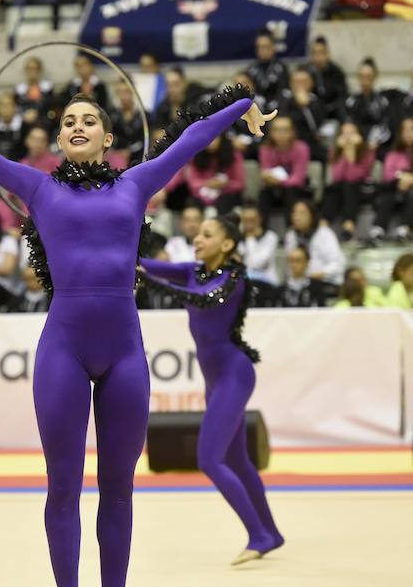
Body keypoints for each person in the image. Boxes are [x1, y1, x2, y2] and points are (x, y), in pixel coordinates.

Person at [0, 80, 274, 587]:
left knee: (119, 489)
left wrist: (242, 106)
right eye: (68, 123)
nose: (77, 127)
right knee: (63, 488)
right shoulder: (37, 188)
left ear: (107, 139)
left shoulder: (137, 184)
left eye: (89, 121)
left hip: (125, 352)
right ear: (59, 140)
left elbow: (194, 136)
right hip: (64, 350)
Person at [138, 213, 282, 564]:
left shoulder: (235, 279)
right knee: (237, 460)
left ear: (227, 244)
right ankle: (271, 532)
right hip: (214, 378)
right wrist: (118, 243)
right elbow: (143, 263)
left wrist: (151, 281)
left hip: (235, 373)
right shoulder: (192, 270)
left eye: (207, 235)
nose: (197, 239)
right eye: (197, 234)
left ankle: (258, 534)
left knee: (209, 459)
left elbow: (203, 299)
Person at [371, 117, 413, 243]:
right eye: (405, 130)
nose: (408, 133)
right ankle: (378, 231)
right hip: (398, 190)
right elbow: (388, 174)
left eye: (412, 129)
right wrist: (401, 177)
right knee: (387, 193)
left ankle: (404, 231)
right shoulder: (393, 153)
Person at [322, 121, 375, 240]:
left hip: (361, 188)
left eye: (351, 133)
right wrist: (343, 153)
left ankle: (349, 226)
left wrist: (351, 151)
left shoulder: (367, 151)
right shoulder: (334, 151)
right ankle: (323, 225)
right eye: (344, 133)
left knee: (350, 186)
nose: (348, 137)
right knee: (333, 188)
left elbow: (354, 176)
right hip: (341, 188)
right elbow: (337, 176)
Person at [257, 116, 310, 227]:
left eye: (285, 130)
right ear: (271, 132)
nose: (281, 134)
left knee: (290, 191)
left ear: (292, 131)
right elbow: (266, 171)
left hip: (295, 190)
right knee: (264, 193)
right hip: (273, 188)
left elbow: (298, 178)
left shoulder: (301, 148)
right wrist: (267, 177)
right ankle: (261, 230)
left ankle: (292, 229)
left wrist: (279, 181)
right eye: (277, 130)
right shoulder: (265, 148)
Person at [283, 200, 345, 290]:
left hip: (326, 282)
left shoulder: (325, 233)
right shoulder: (290, 236)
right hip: (301, 284)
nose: (297, 217)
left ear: (312, 216)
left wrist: (317, 275)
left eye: (302, 213)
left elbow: (338, 264)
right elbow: (290, 264)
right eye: (294, 213)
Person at [342, 58, 392, 153]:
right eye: (362, 76)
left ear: (374, 77)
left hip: (377, 143)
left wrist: (376, 140)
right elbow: (348, 123)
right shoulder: (351, 101)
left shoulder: (382, 101)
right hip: (356, 143)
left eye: (368, 76)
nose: (365, 81)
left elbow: (386, 126)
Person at [306, 35, 348, 120]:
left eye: (321, 52)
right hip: (312, 113)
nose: (317, 56)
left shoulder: (336, 72)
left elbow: (342, 96)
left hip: (333, 114)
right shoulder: (306, 72)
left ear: (327, 54)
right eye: (314, 53)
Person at [246, 29, 289, 108]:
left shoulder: (282, 68)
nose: (263, 50)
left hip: (278, 107)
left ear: (273, 47)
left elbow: (285, 90)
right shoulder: (251, 69)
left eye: (266, 46)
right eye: (259, 47)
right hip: (257, 107)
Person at [14, 56, 55, 128]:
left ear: (40, 70)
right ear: (25, 70)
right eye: (29, 69)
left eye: (35, 68)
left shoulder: (47, 88)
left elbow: (50, 107)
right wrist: (24, 115)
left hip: (44, 123)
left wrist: (37, 113)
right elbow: (16, 108)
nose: (32, 72)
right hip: (25, 123)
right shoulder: (19, 90)